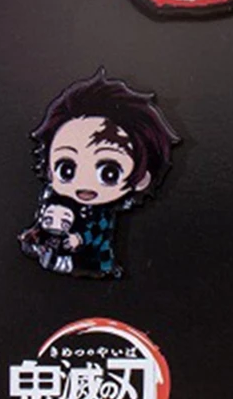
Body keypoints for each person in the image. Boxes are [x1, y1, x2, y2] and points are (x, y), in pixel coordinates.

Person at [20, 68, 180, 278]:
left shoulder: (102, 212)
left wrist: (80, 239)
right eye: (67, 169)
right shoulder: (52, 197)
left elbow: (98, 230)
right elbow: (43, 220)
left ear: (141, 179)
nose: (84, 183)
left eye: (109, 173)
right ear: (50, 169)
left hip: (93, 261)